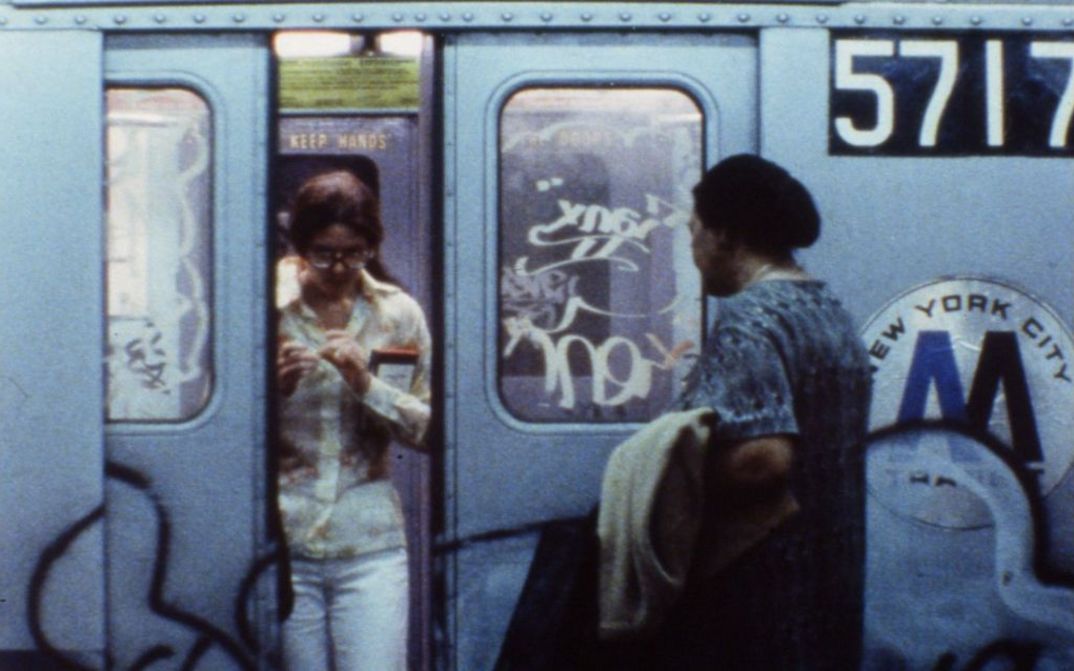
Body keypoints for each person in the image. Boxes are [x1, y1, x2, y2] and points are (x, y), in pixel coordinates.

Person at [611, 154, 872, 669]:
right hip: (830, 587)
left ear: (725, 235)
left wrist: (656, 476)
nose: (692, 249)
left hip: (762, 600)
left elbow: (762, 459)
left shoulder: (749, 319)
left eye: (694, 232)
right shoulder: (828, 310)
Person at [276, 170, 431, 671]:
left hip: (369, 546)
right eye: (322, 253)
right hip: (285, 543)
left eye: (353, 252)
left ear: (371, 246)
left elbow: (424, 429)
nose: (338, 267)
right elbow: (225, 432)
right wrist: (272, 391)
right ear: (299, 247)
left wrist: (365, 383)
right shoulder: (268, 311)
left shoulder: (398, 315)